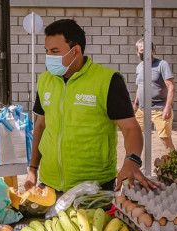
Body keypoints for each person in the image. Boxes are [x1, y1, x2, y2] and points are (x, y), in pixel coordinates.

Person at [24, 19, 159, 194]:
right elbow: (41, 126)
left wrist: (132, 160)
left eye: (55, 51)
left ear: (76, 51)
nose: (49, 57)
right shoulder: (45, 80)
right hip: (49, 185)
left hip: (95, 187)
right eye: (47, 51)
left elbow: (131, 128)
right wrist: (32, 170)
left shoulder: (107, 80)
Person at [133, 38, 176, 153]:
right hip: (142, 110)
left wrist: (168, 107)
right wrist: (135, 104)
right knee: (134, 138)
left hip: (160, 109)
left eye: (147, 50)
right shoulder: (139, 67)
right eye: (141, 50)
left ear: (153, 51)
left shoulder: (162, 64)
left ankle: (174, 167)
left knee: (165, 139)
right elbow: (139, 87)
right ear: (137, 52)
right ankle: (135, 166)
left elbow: (171, 87)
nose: (144, 53)